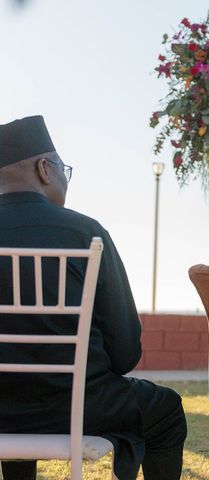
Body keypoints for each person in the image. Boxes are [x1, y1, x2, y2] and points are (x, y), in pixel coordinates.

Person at [0, 115, 187, 480]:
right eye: (63, 169)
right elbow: (125, 351)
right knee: (166, 411)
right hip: (82, 405)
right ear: (44, 169)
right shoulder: (85, 233)